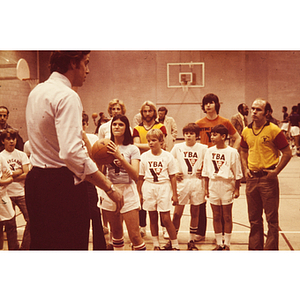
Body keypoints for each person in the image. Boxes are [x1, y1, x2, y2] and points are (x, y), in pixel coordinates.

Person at [25, 51, 123, 250]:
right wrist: (109, 187)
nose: (88, 70)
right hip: (61, 186)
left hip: (36, 181)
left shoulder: (37, 91)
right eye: (86, 63)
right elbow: (71, 153)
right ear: (73, 62)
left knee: (43, 246)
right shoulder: (68, 96)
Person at [240, 98, 292, 250]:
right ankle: (255, 250)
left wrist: (276, 171)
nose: (254, 112)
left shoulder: (274, 130)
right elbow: (243, 150)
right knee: (254, 219)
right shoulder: (246, 131)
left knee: (271, 220)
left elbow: (287, 153)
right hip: (251, 179)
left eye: (258, 109)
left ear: (267, 113)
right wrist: (245, 168)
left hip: (267, 179)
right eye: (253, 109)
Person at [195, 93, 241, 242]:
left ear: (216, 104)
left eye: (211, 102)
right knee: (202, 200)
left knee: (223, 208)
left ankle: (222, 238)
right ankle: (200, 232)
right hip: (205, 164)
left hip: (221, 165)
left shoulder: (225, 122)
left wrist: (231, 152)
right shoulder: (199, 123)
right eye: (206, 103)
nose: (208, 105)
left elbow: (238, 137)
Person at [98, 114, 146, 250]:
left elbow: (135, 175)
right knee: (117, 233)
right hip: (110, 190)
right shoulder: (105, 146)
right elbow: (101, 173)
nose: (117, 127)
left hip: (128, 191)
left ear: (126, 128)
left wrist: (121, 158)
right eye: (114, 124)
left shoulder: (132, 149)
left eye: (120, 124)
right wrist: (99, 160)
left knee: (135, 236)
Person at [202, 124, 243, 250]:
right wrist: (206, 188)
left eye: (215, 134)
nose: (212, 137)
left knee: (227, 216)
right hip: (214, 185)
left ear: (223, 136)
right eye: (212, 134)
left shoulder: (232, 152)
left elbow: (237, 172)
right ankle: (219, 243)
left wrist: (236, 189)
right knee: (216, 215)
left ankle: (227, 243)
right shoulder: (209, 151)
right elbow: (205, 171)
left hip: (226, 185)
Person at [138, 128, 179, 250]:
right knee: (152, 217)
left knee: (166, 218)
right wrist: (139, 193)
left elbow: (172, 177)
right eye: (149, 140)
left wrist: (175, 194)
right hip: (149, 186)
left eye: (154, 140)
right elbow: (140, 177)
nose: (151, 143)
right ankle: (156, 245)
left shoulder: (168, 156)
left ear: (161, 141)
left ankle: (175, 245)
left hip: (163, 187)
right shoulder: (144, 156)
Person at [170, 123, 207, 250]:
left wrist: (204, 171)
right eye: (186, 133)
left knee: (195, 212)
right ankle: (173, 239)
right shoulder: (177, 147)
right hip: (182, 182)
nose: (188, 136)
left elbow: (208, 164)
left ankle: (191, 240)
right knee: (176, 214)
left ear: (196, 136)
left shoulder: (203, 148)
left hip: (196, 182)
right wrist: (175, 173)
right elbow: (169, 162)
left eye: (191, 134)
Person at [133, 101, 167, 237]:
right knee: (142, 195)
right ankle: (142, 226)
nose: (147, 113)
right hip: (142, 164)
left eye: (150, 111)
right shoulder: (137, 128)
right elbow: (134, 146)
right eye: (145, 111)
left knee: (161, 197)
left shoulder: (161, 127)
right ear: (142, 113)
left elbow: (163, 146)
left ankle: (164, 228)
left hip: (159, 164)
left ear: (154, 112)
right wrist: (154, 144)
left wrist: (142, 145)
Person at [0, 128, 31, 250]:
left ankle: (24, 248)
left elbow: (27, 174)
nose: (11, 141)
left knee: (30, 219)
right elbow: (3, 177)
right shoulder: (1, 156)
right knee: (10, 225)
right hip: (6, 194)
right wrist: (18, 172)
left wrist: (10, 176)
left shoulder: (21, 154)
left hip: (21, 193)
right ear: (3, 141)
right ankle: (13, 249)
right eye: (8, 139)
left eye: (13, 138)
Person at [82, 112, 107, 250]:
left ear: (86, 124)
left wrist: (85, 139)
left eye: (82, 122)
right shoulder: (67, 137)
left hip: (89, 181)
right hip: (73, 181)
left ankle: (100, 248)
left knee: (96, 215)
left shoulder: (92, 138)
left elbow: (95, 160)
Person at [0, 154, 16, 250]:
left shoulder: (0, 158)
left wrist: (3, 181)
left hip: (3, 196)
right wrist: (2, 180)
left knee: (11, 224)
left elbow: (10, 177)